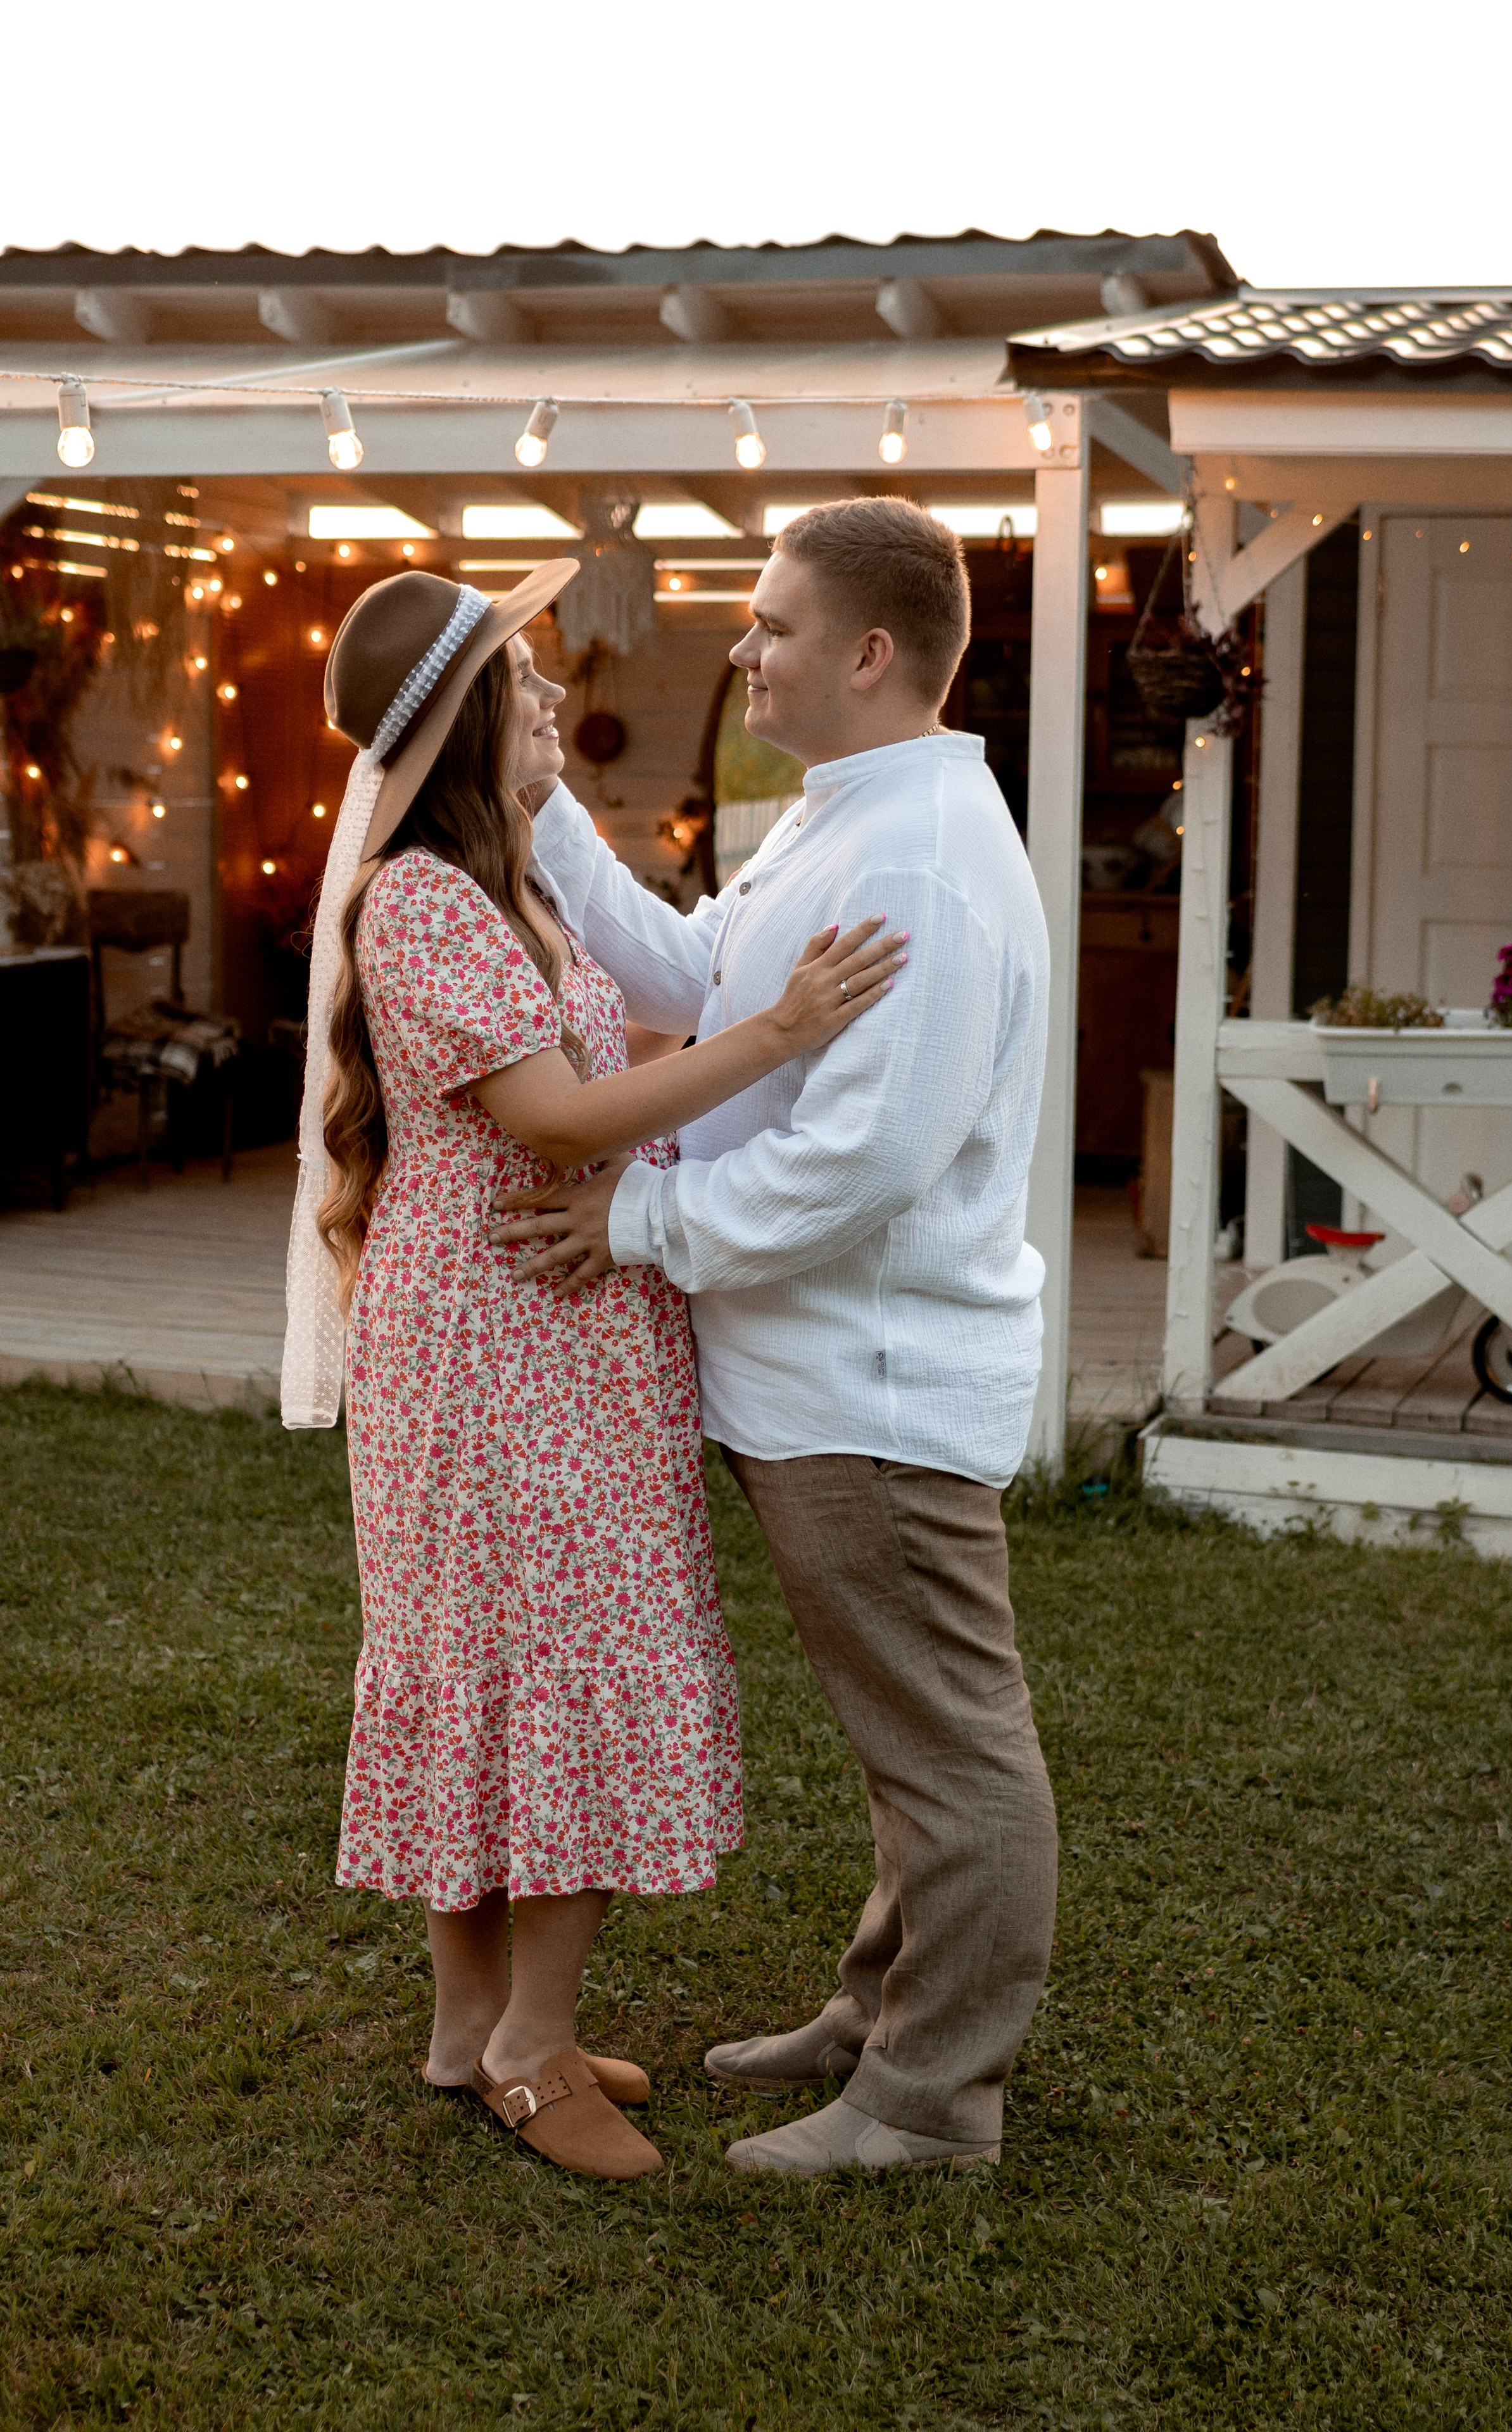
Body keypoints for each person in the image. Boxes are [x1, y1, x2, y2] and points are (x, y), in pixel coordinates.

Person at [283, 566, 903, 2183]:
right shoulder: (424, 900)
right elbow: (554, 1116)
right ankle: (526, 2049)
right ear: (470, 720)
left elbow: (593, 1068)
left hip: (545, 1320)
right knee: (547, 1662)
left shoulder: (506, 886)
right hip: (505, 1338)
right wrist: (772, 1036)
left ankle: (466, 2029)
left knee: (503, 1662)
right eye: (526, 680)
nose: (553, 699)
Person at [496, 497, 1057, 2177]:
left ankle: (930, 2096)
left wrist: (641, 1224)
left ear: (872, 654)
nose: (743, 648)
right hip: (811, 1375)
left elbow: (875, 1156)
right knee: (905, 1738)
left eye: (772, 624)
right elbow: (694, 975)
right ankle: (879, 2010)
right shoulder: (840, 817)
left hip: (874, 1383)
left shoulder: (928, 858)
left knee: (952, 1748)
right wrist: (543, 816)